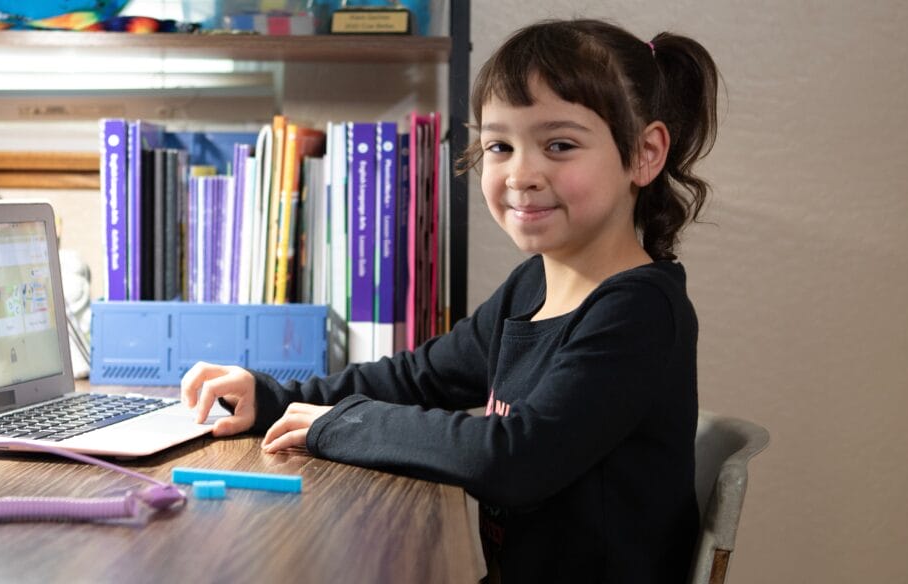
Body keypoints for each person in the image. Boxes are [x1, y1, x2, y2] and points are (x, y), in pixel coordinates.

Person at [182, 18, 720, 582]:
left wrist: (338, 424)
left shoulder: (640, 311)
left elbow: (514, 459)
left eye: (559, 145)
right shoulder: (532, 285)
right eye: (499, 145)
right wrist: (273, 398)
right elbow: (420, 378)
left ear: (644, 154)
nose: (521, 173)